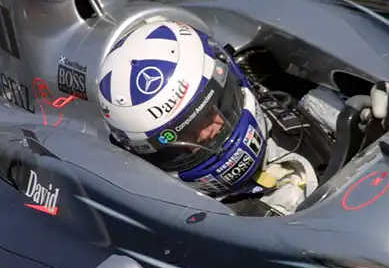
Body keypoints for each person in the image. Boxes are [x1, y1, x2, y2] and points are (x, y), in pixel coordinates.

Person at [97, 18, 317, 214]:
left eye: (207, 115)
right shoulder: (182, 216)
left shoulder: (312, 111)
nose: (204, 134)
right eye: (181, 138)